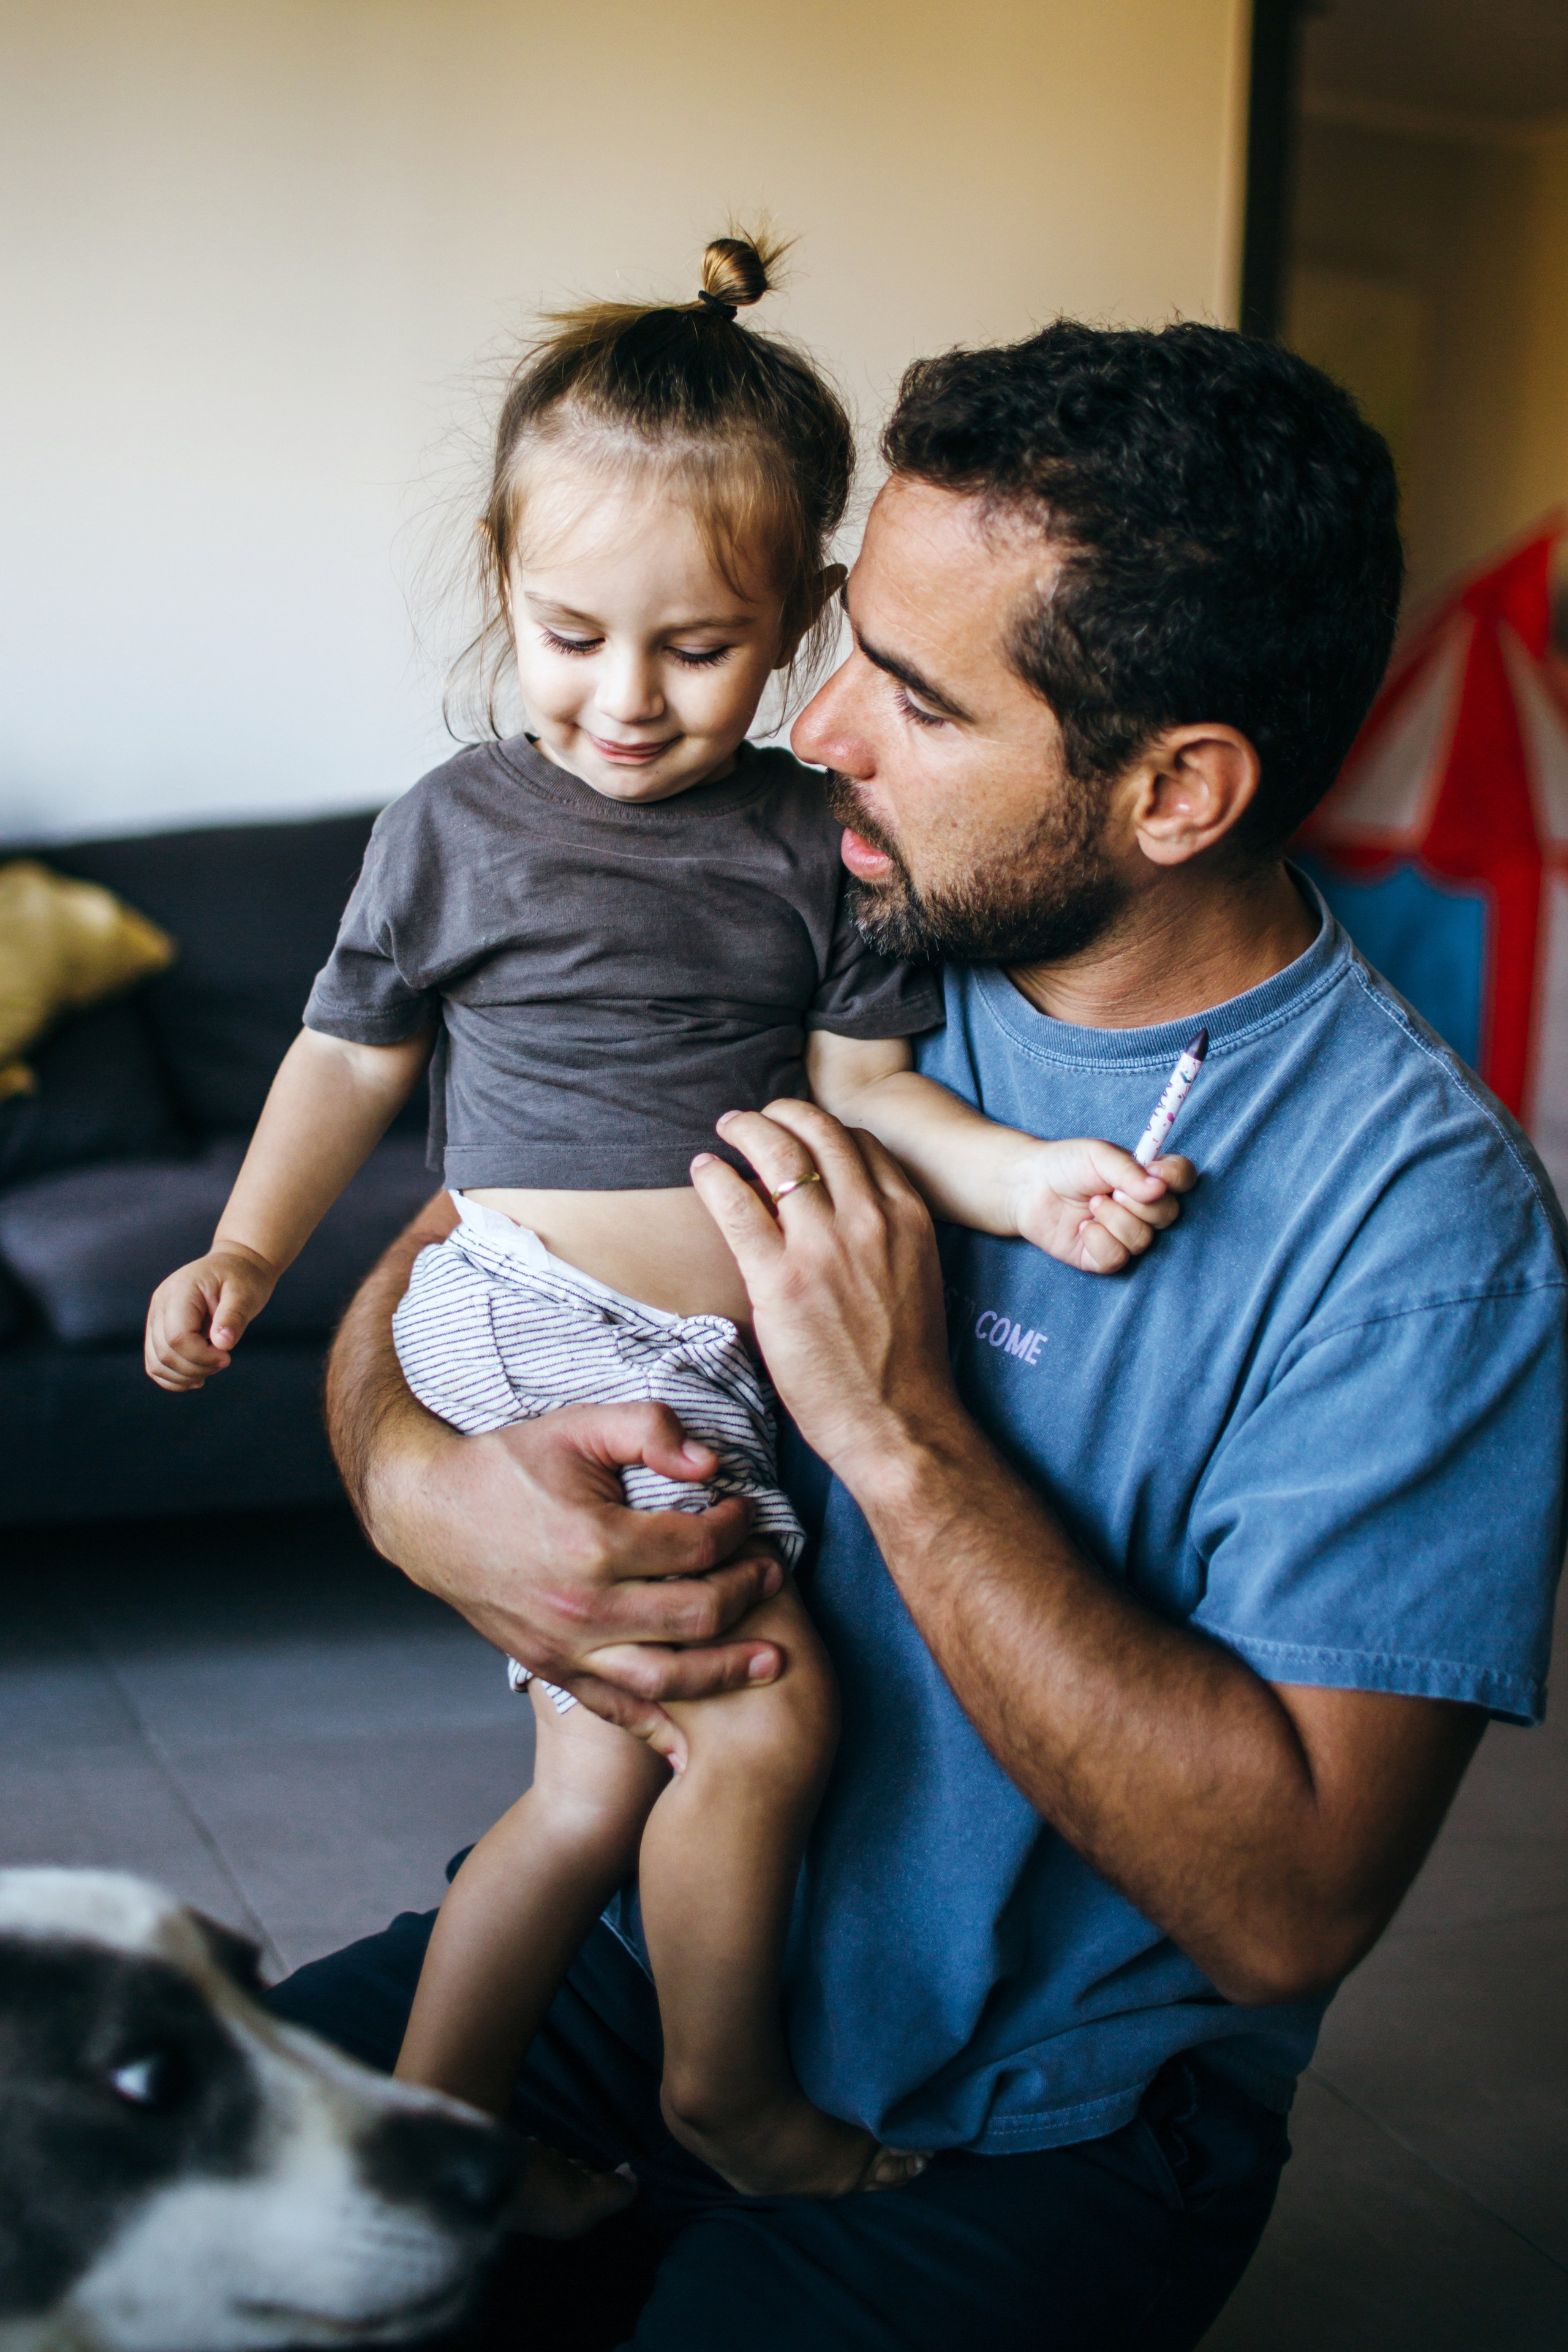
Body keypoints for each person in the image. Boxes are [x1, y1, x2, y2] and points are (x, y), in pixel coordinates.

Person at [270, 319, 1567, 2350]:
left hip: (1030, 2124)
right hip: (634, 1949)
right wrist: (422, 1486)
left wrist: (899, 1430)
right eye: (846, 641)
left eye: (918, 695)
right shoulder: (837, 906)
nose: (829, 726)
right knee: (119, 2224)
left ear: (1174, 790)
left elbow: (1288, 1902)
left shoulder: (1421, 1235)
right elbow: (464, 1233)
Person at [143, 239, 1190, 2226]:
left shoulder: (821, 844)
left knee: (599, 1785)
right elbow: (347, 1062)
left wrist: (1033, 1183)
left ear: (801, 620)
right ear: (502, 586)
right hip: (533, 1326)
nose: (624, 700)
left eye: (699, 649)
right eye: (571, 636)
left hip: (703, 1370)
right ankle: (728, 2102)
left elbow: (874, 1097)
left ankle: (435, 2143)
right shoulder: (456, 824)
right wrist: (251, 1255)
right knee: (771, 1712)